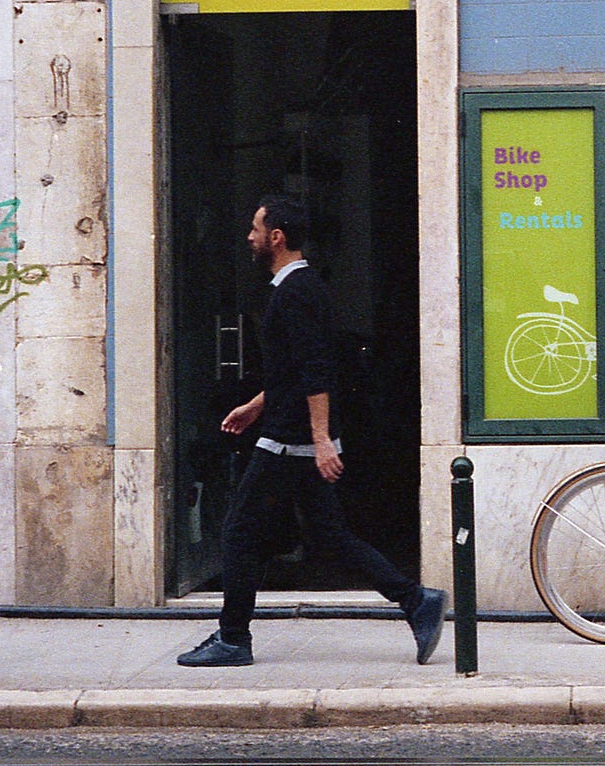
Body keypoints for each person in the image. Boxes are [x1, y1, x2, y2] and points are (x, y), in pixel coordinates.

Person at [178, 194, 445, 668]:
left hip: (289, 441)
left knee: (238, 532)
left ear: (277, 237)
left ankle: (233, 638)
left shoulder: (294, 293)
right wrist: (255, 406)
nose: (250, 237)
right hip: (289, 432)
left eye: (256, 229)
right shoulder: (300, 288)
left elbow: (317, 371)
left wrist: (321, 440)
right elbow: (294, 369)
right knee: (329, 535)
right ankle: (416, 600)